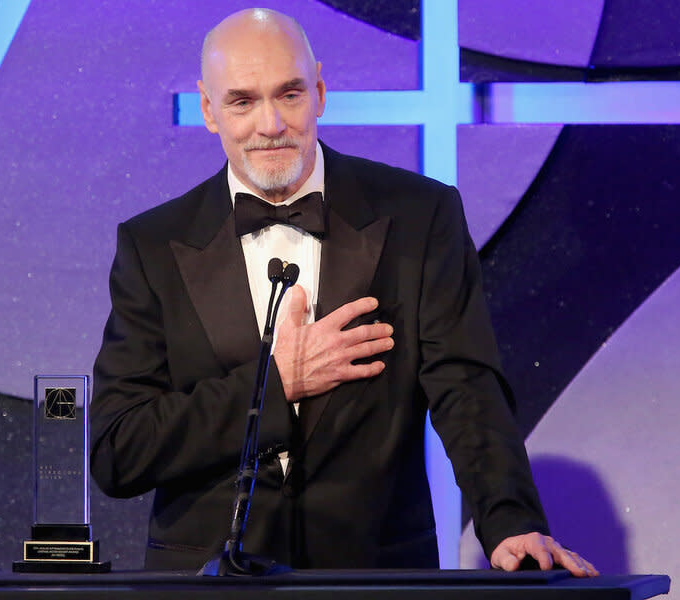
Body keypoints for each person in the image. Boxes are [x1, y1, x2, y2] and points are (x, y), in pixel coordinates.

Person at [91, 8, 597, 576]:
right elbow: (119, 449)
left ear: (321, 93)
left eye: (289, 94)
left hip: (374, 575)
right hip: (205, 579)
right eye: (242, 101)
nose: (271, 124)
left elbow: (466, 387)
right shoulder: (153, 244)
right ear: (209, 110)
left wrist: (510, 522)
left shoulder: (418, 215)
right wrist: (279, 383)